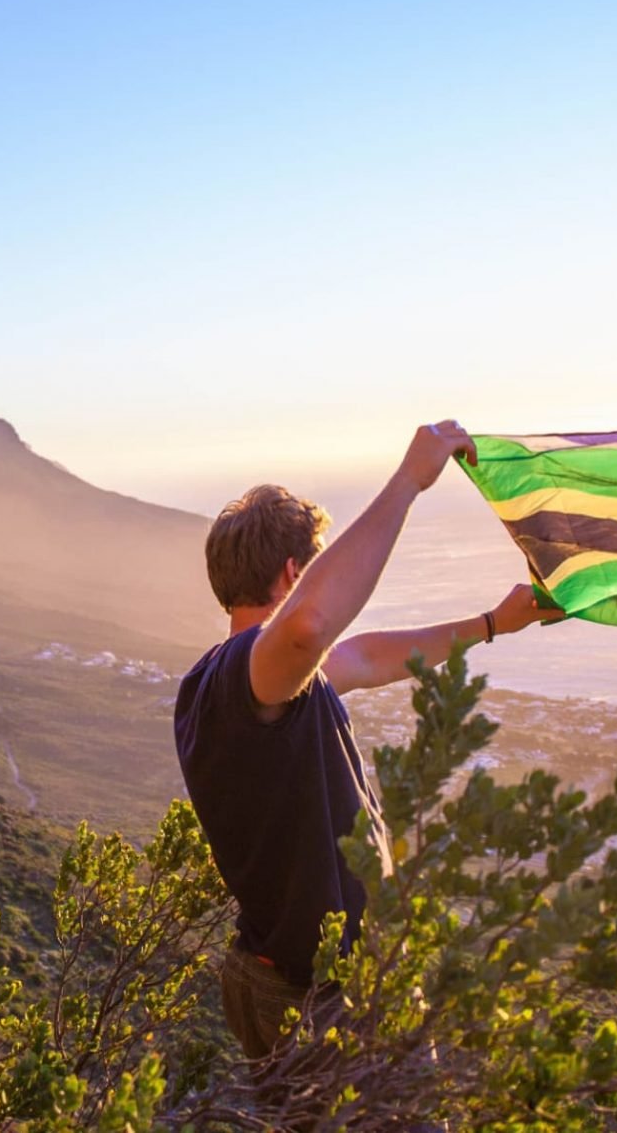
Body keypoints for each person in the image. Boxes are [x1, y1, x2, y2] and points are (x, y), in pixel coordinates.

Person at [173, 420, 564, 1062]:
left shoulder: (242, 683)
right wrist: (409, 481)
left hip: (288, 980)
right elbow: (309, 626)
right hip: (310, 997)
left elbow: (368, 657)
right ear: (295, 571)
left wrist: (494, 623)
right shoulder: (246, 676)